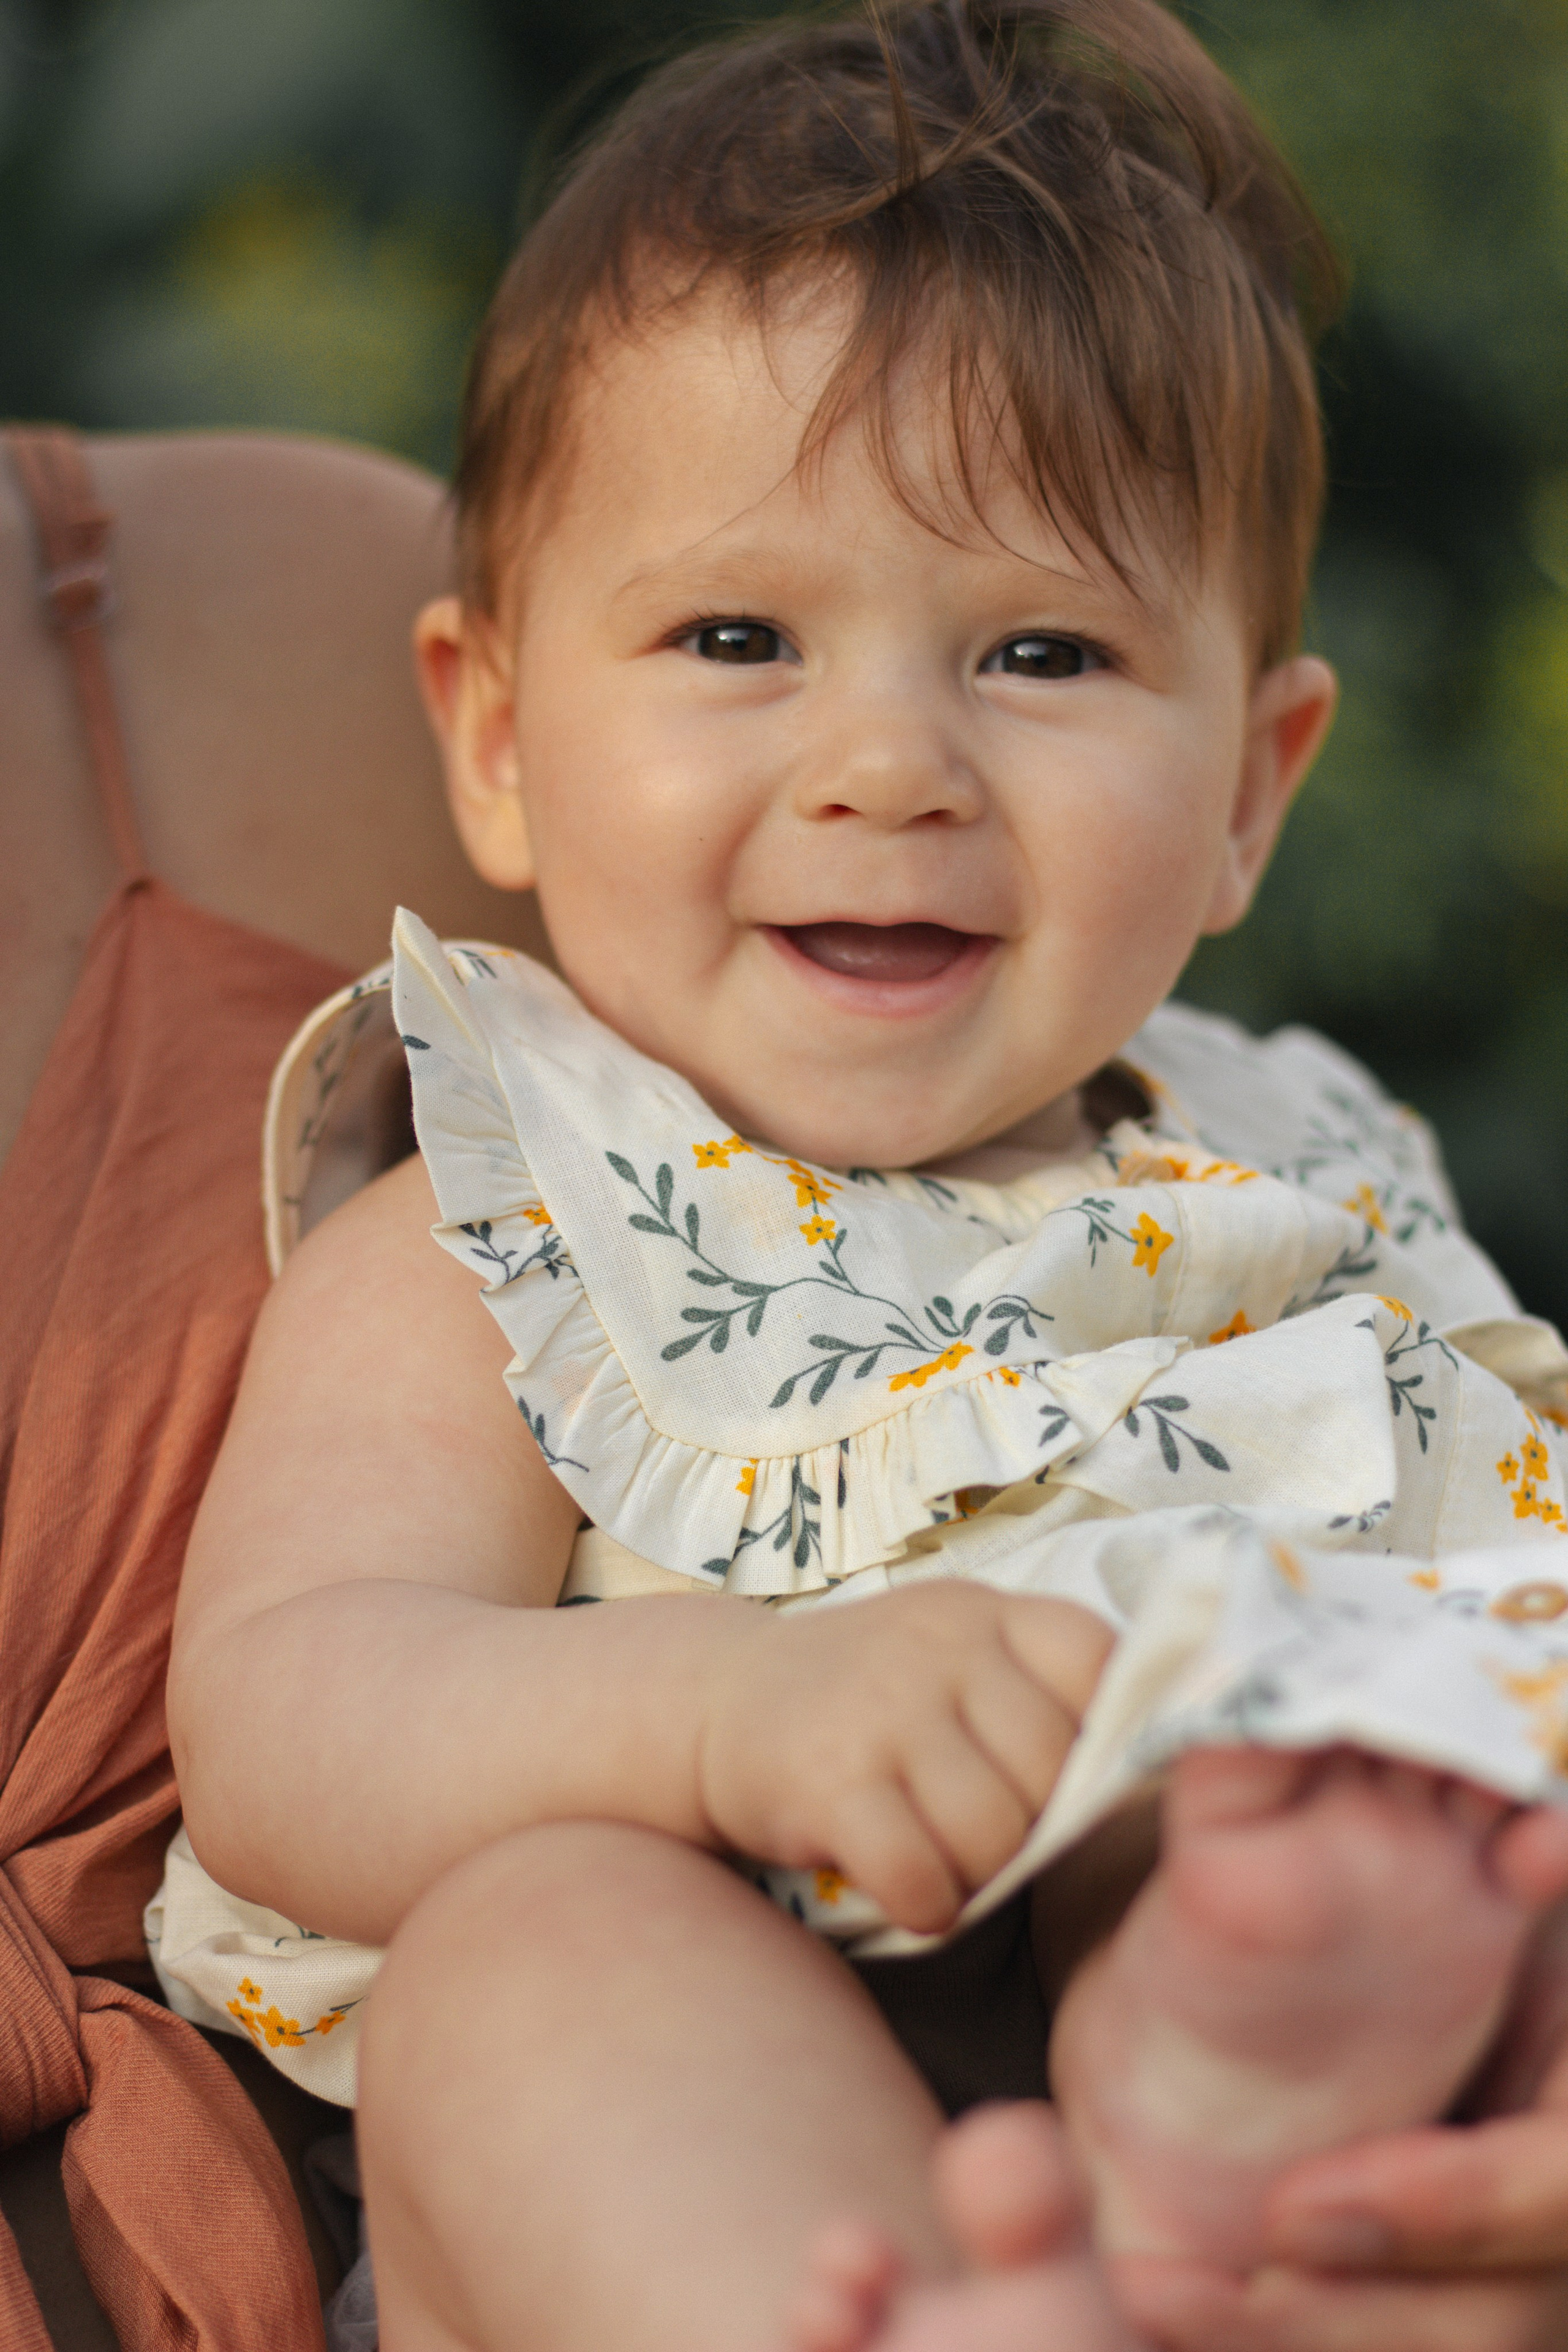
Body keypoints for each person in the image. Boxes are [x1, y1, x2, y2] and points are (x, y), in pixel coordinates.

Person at [153, 3, 1568, 2346]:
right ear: (497, 737)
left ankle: (1241, 2119)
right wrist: (726, 1716)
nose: (891, 764)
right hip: (709, 2149)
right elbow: (293, 1714)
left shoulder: (1311, 1165)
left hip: (1308, 2047)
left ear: (1250, 789)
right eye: (739, 637)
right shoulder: (522, 1220)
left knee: (1384, 1809)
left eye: (1046, 651)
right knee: (543, 1948)